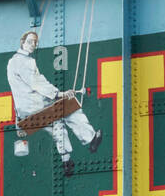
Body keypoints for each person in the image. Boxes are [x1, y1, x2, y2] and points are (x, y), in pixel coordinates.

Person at [6, 30, 101, 176]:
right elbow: (38, 83)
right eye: (30, 41)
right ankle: (91, 138)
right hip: (36, 108)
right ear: (22, 42)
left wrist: (18, 122)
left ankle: (66, 162)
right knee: (70, 106)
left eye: (35, 42)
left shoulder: (12, 62)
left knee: (58, 126)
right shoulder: (25, 61)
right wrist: (59, 94)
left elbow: (18, 94)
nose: (33, 45)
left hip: (26, 115)